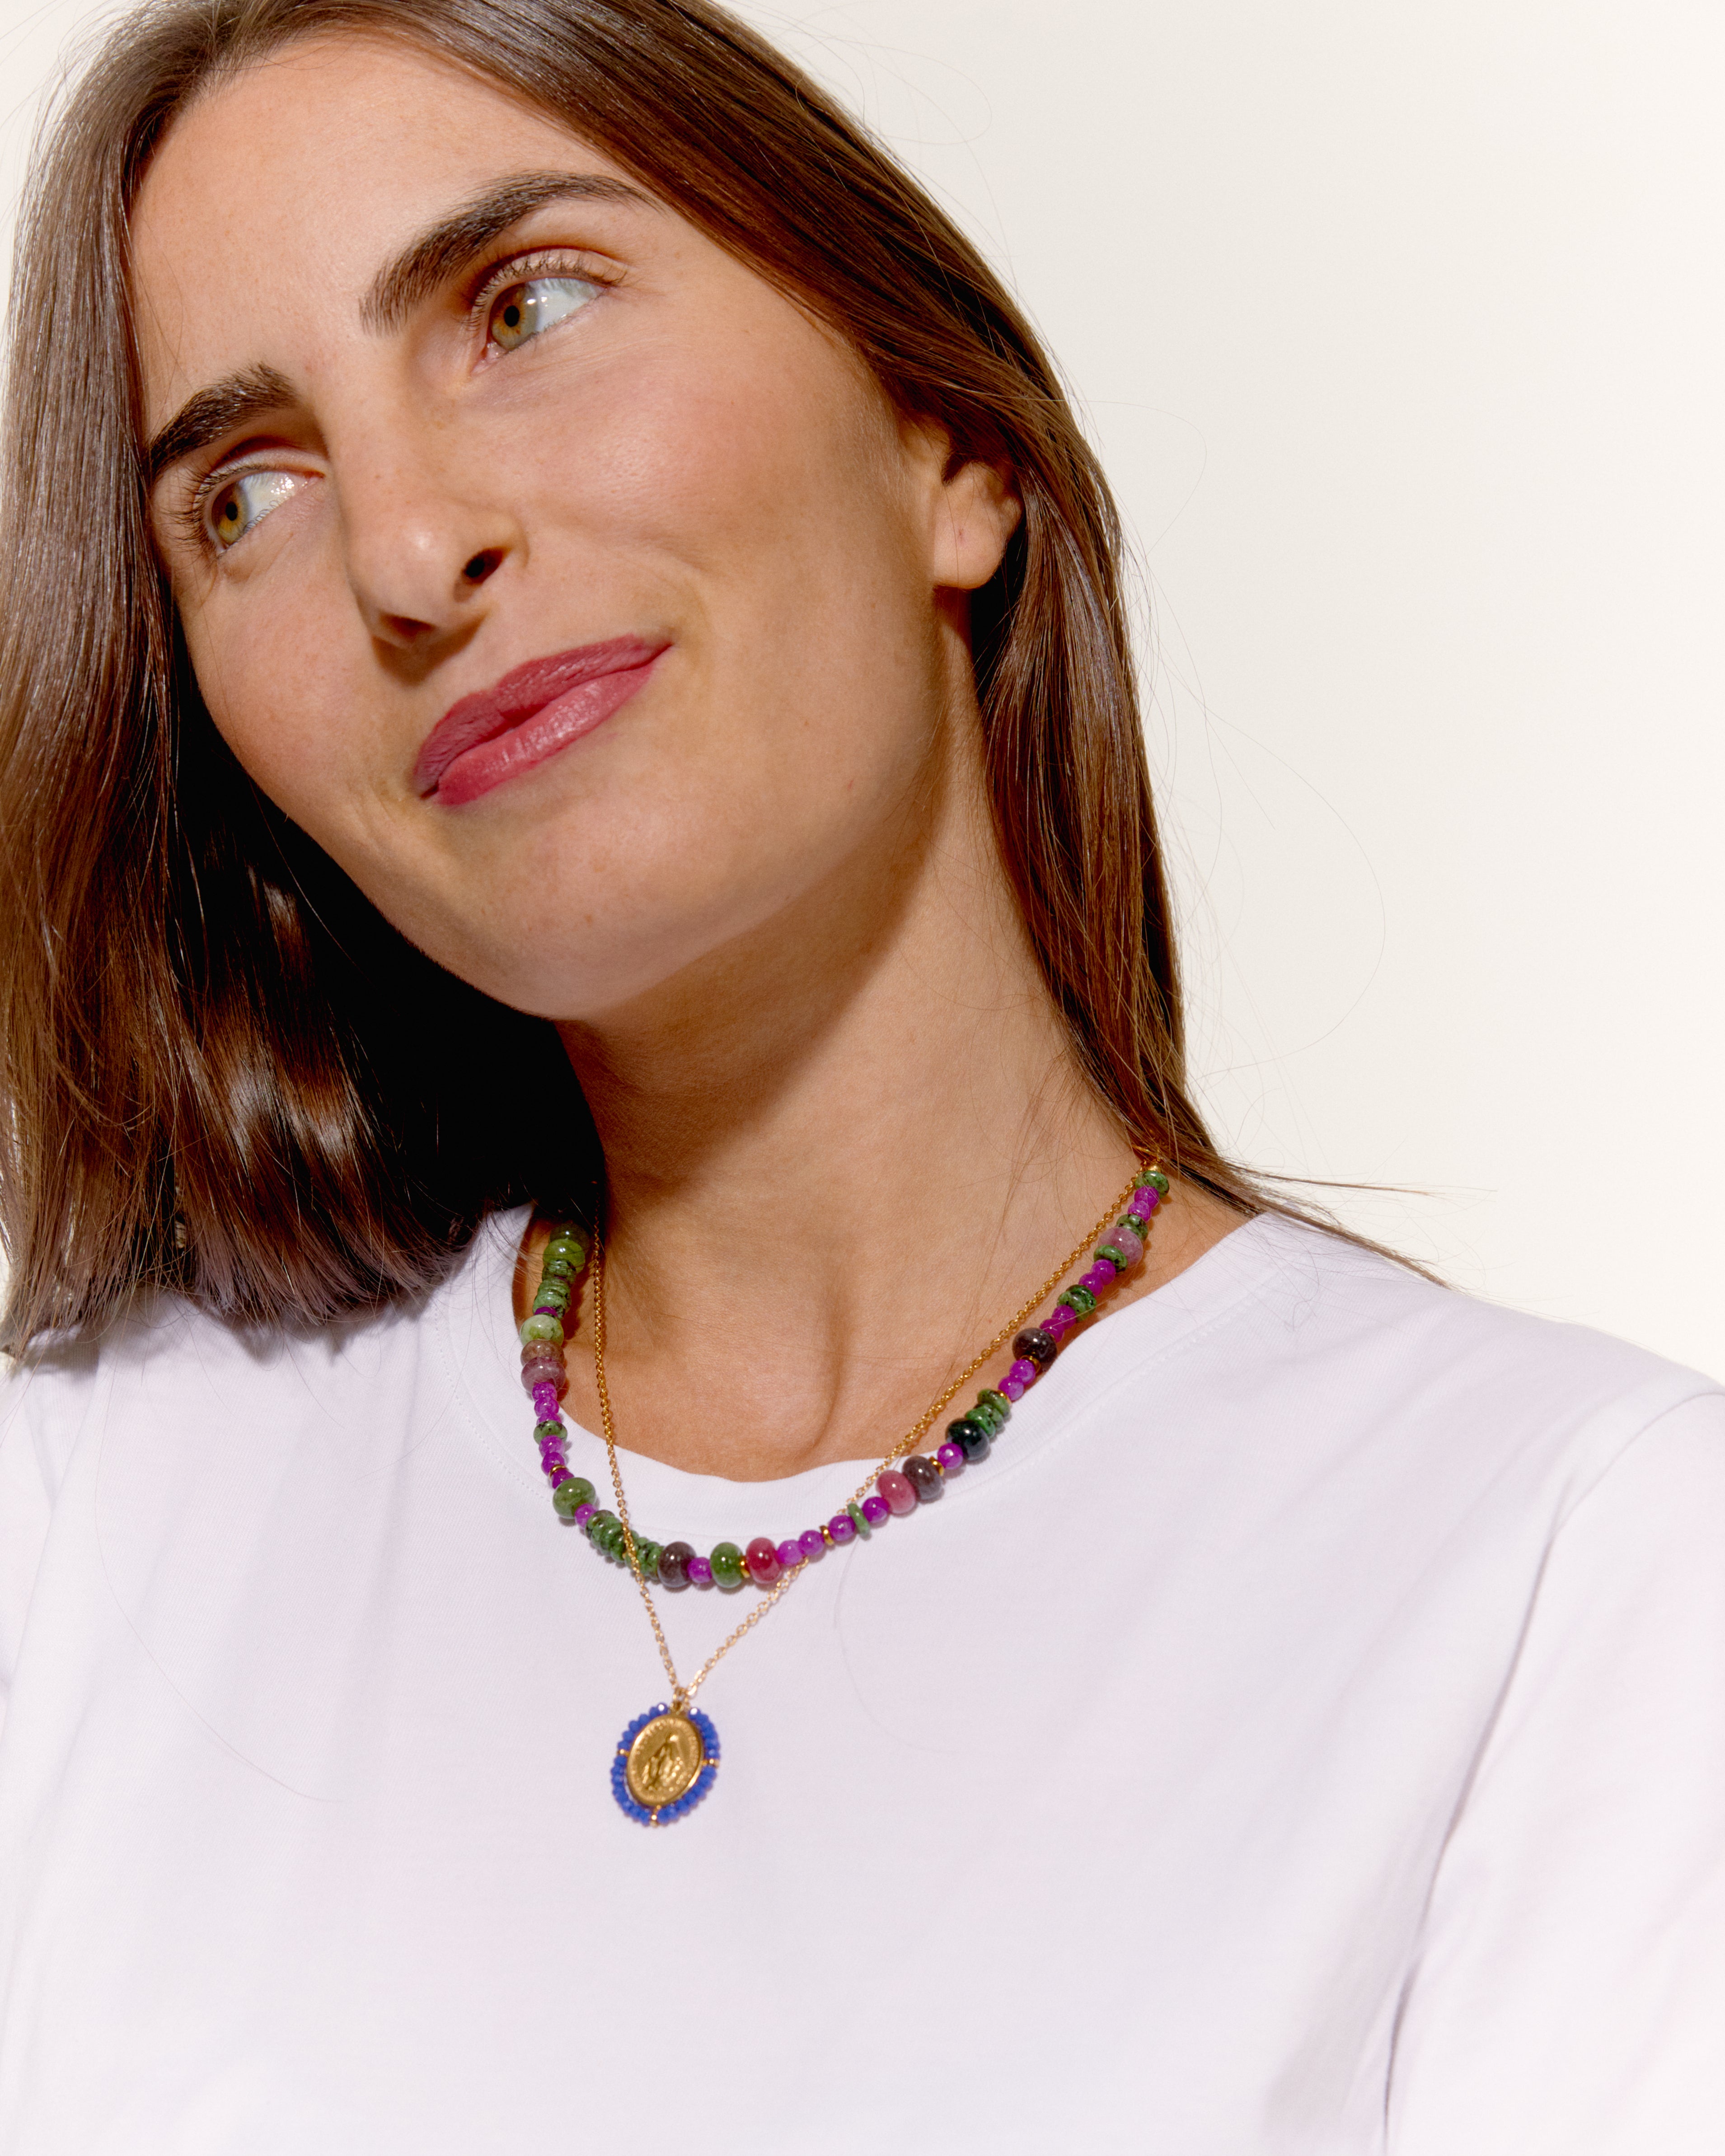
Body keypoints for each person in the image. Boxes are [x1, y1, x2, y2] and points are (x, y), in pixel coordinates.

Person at [0, 1, 1720, 2148]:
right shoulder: (86, 1508)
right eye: (244, 493)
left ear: (945, 450)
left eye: (524, 307)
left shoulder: (1572, 1566)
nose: (406, 553)